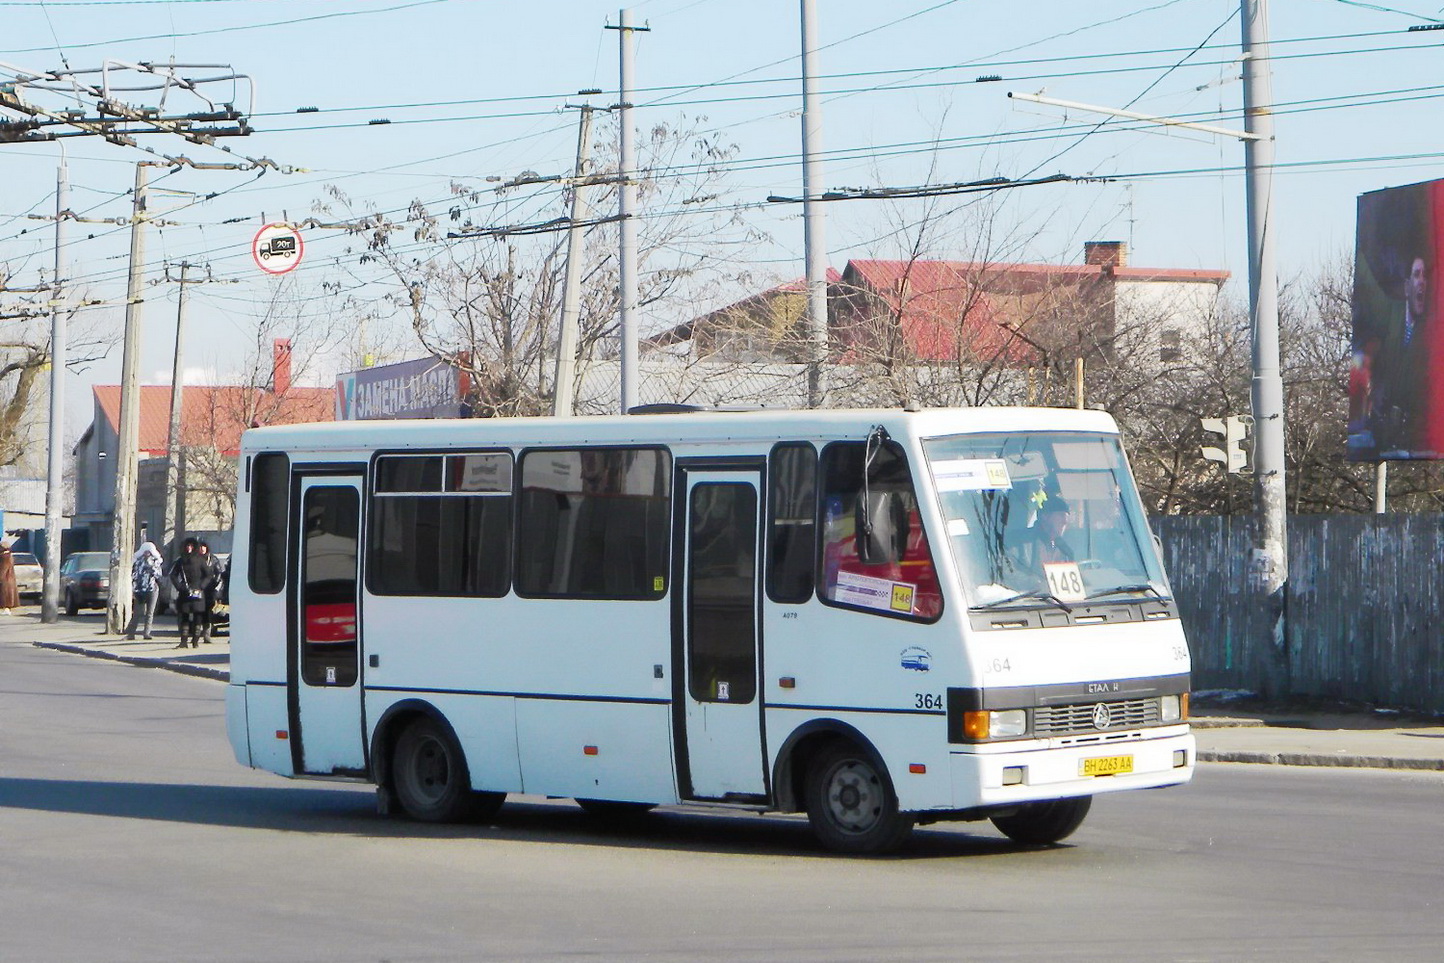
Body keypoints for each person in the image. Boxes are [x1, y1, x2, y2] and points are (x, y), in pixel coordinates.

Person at [1010, 496, 1075, 577]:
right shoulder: (1019, 542)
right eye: (1061, 515)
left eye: (1066, 517)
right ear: (1045, 517)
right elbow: (1008, 573)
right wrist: (1037, 584)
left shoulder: (1065, 551)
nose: (1065, 521)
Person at [168, 537, 214, 649]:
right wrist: (180, 587)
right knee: (184, 617)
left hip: (198, 593)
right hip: (185, 593)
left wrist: (202, 586)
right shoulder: (180, 561)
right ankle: (183, 641)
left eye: (191, 546)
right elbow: (173, 575)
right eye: (187, 546)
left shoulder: (200, 560)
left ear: (194, 547)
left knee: (198, 617)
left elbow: (208, 575)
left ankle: (195, 641)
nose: (189, 548)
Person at [124, 541, 164, 640]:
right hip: (140, 589)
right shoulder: (137, 561)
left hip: (152, 589)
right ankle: (131, 633)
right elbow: (134, 575)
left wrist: (152, 568)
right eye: (145, 551)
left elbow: (159, 575)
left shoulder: (156, 561)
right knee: (137, 612)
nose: (147, 553)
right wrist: (134, 588)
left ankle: (146, 633)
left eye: (149, 551)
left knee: (150, 612)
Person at [197, 540, 219, 643]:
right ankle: (195, 636)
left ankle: (207, 635)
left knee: (208, 612)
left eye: (203, 547)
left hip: (210, 590)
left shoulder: (213, 559)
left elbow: (218, 573)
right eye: (200, 547)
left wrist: (215, 584)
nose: (202, 549)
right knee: (198, 612)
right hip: (198, 589)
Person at [0, 540, 18, 614]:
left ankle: (6, 609)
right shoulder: (9, 555)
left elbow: (4, 568)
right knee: (8, 594)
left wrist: (0, 577)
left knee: (5, 594)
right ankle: (7, 609)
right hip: (10, 578)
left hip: (6, 579)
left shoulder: (4, 556)